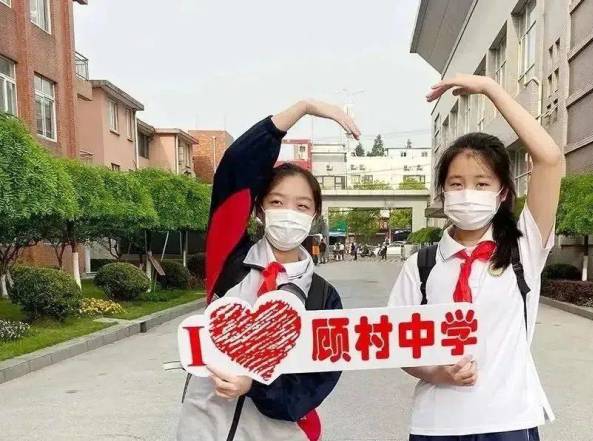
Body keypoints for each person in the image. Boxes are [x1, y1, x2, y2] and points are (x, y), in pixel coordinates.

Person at [387, 74, 563, 441]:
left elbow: (549, 160)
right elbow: (399, 346)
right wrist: (437, 373)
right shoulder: (421, 266)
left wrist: (491, 89)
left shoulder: (523, 248)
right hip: (437, 424)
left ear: (502, 193)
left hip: (507, 422)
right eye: (456, 183)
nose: (468, 193)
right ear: (443, 192)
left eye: (482, 183)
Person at [177, 99, 360, 441]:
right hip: (204, 429)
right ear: (259, 209)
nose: (289, 212)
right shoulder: (230, 260)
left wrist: (254, 385)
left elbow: (314, 384)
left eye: (302, 205)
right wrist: (303, 108)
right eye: (277, 202)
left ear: (314, 216)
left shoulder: (322, 297)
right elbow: (236, 166)